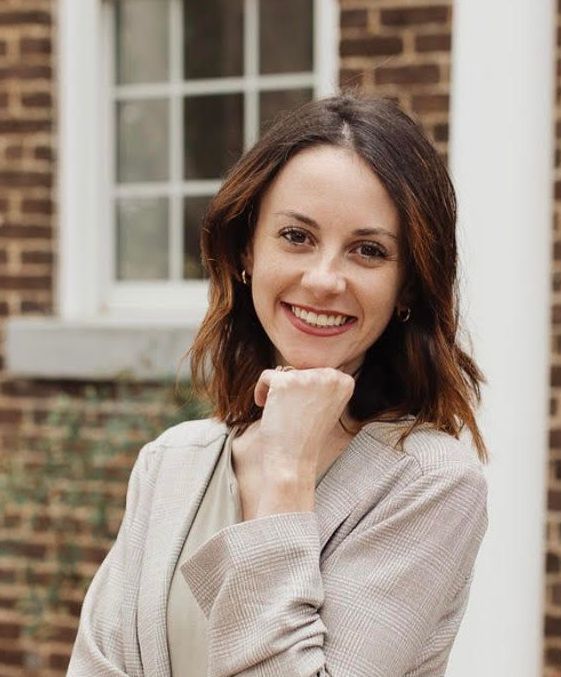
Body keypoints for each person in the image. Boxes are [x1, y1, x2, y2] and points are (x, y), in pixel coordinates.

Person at [67, 93, 489, 676]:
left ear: (407, 289)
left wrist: (287, 469)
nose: (323, 279)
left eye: (368, 251)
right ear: (247, 251)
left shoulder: (429, 485)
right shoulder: (171, 464)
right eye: (297, 237)